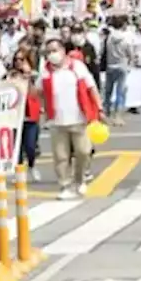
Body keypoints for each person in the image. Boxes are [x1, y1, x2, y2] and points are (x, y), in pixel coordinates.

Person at [41, 37, 102, 199]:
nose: (52, 54)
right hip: (57, 121)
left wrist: (99, 108)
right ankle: (64, 186)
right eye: (48, 52)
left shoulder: (77, 67)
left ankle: (80, 180)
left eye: (55, 50)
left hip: (79, 118)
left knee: (83, 152)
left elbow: (91, 87)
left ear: (63, 51)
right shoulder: (45, 71)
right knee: (61, 157)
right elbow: (38, 92)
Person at [12, 48, 42, 182]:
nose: (18, 63)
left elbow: (35, 94)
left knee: (30, 146)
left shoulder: (34, 76)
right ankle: (18, 172)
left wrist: (28, 77)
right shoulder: (10, 75)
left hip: (30, 116)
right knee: (17, 148)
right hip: (14, 117)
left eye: (21, 59)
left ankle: (31, 165)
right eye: (16, 60)